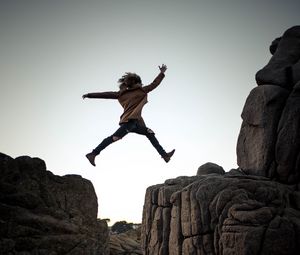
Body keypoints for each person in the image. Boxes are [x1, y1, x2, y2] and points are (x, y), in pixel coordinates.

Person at [82, 64, 175, 166]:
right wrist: (89, 95)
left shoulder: (141, 90)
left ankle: (165, 156)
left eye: (129, 80)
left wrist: (161, 73)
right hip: (128, 122)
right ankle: (93, 153)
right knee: (115, 137)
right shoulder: (122, 93)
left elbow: (155, 83)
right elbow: (105, 94)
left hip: (136, 123)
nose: (127, 82)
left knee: (150, 133)